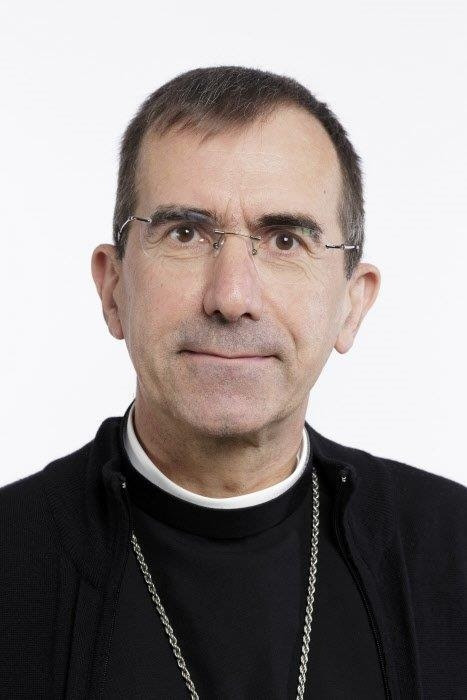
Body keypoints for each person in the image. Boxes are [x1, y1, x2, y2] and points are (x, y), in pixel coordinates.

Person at [1, 66, 466, 700]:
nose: (231, 297)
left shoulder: (451, 547)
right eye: (186, 233)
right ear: (113, 288)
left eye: (285, 240)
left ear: (352, 305)